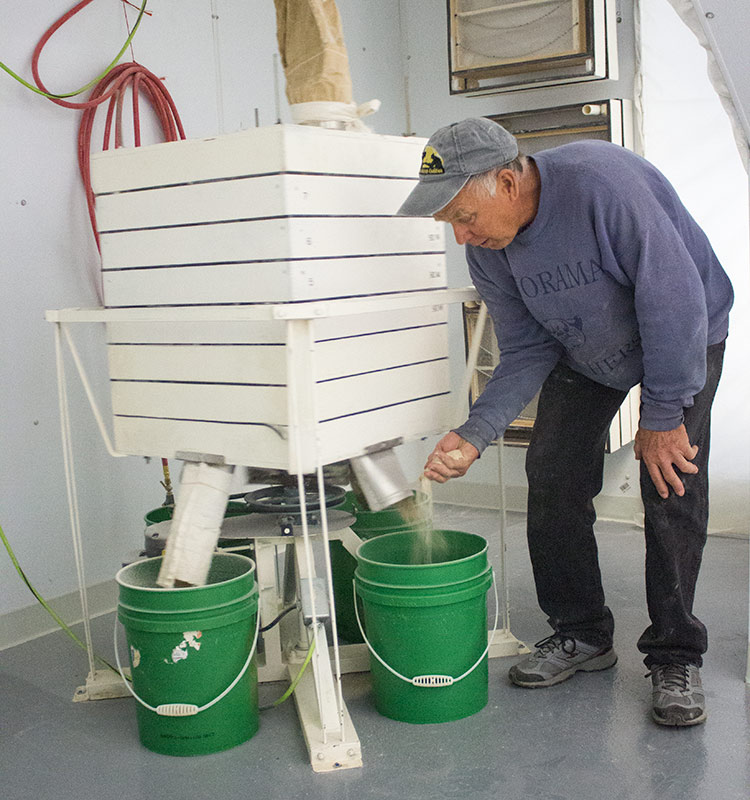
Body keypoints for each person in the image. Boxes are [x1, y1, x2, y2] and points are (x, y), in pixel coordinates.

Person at [397, 117, 733, 727]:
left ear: (504, 181)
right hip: (592, 351)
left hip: (685, 335)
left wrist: (662, 414)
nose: (460, 236)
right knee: (551, 472)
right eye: (447, 225)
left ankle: (675, 654)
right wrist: (474, 434)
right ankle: (581, 633)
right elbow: (526, 350)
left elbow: (674, 296)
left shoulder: (604, 184)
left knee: (671, 482)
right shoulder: (491, 251)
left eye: (462, 216)